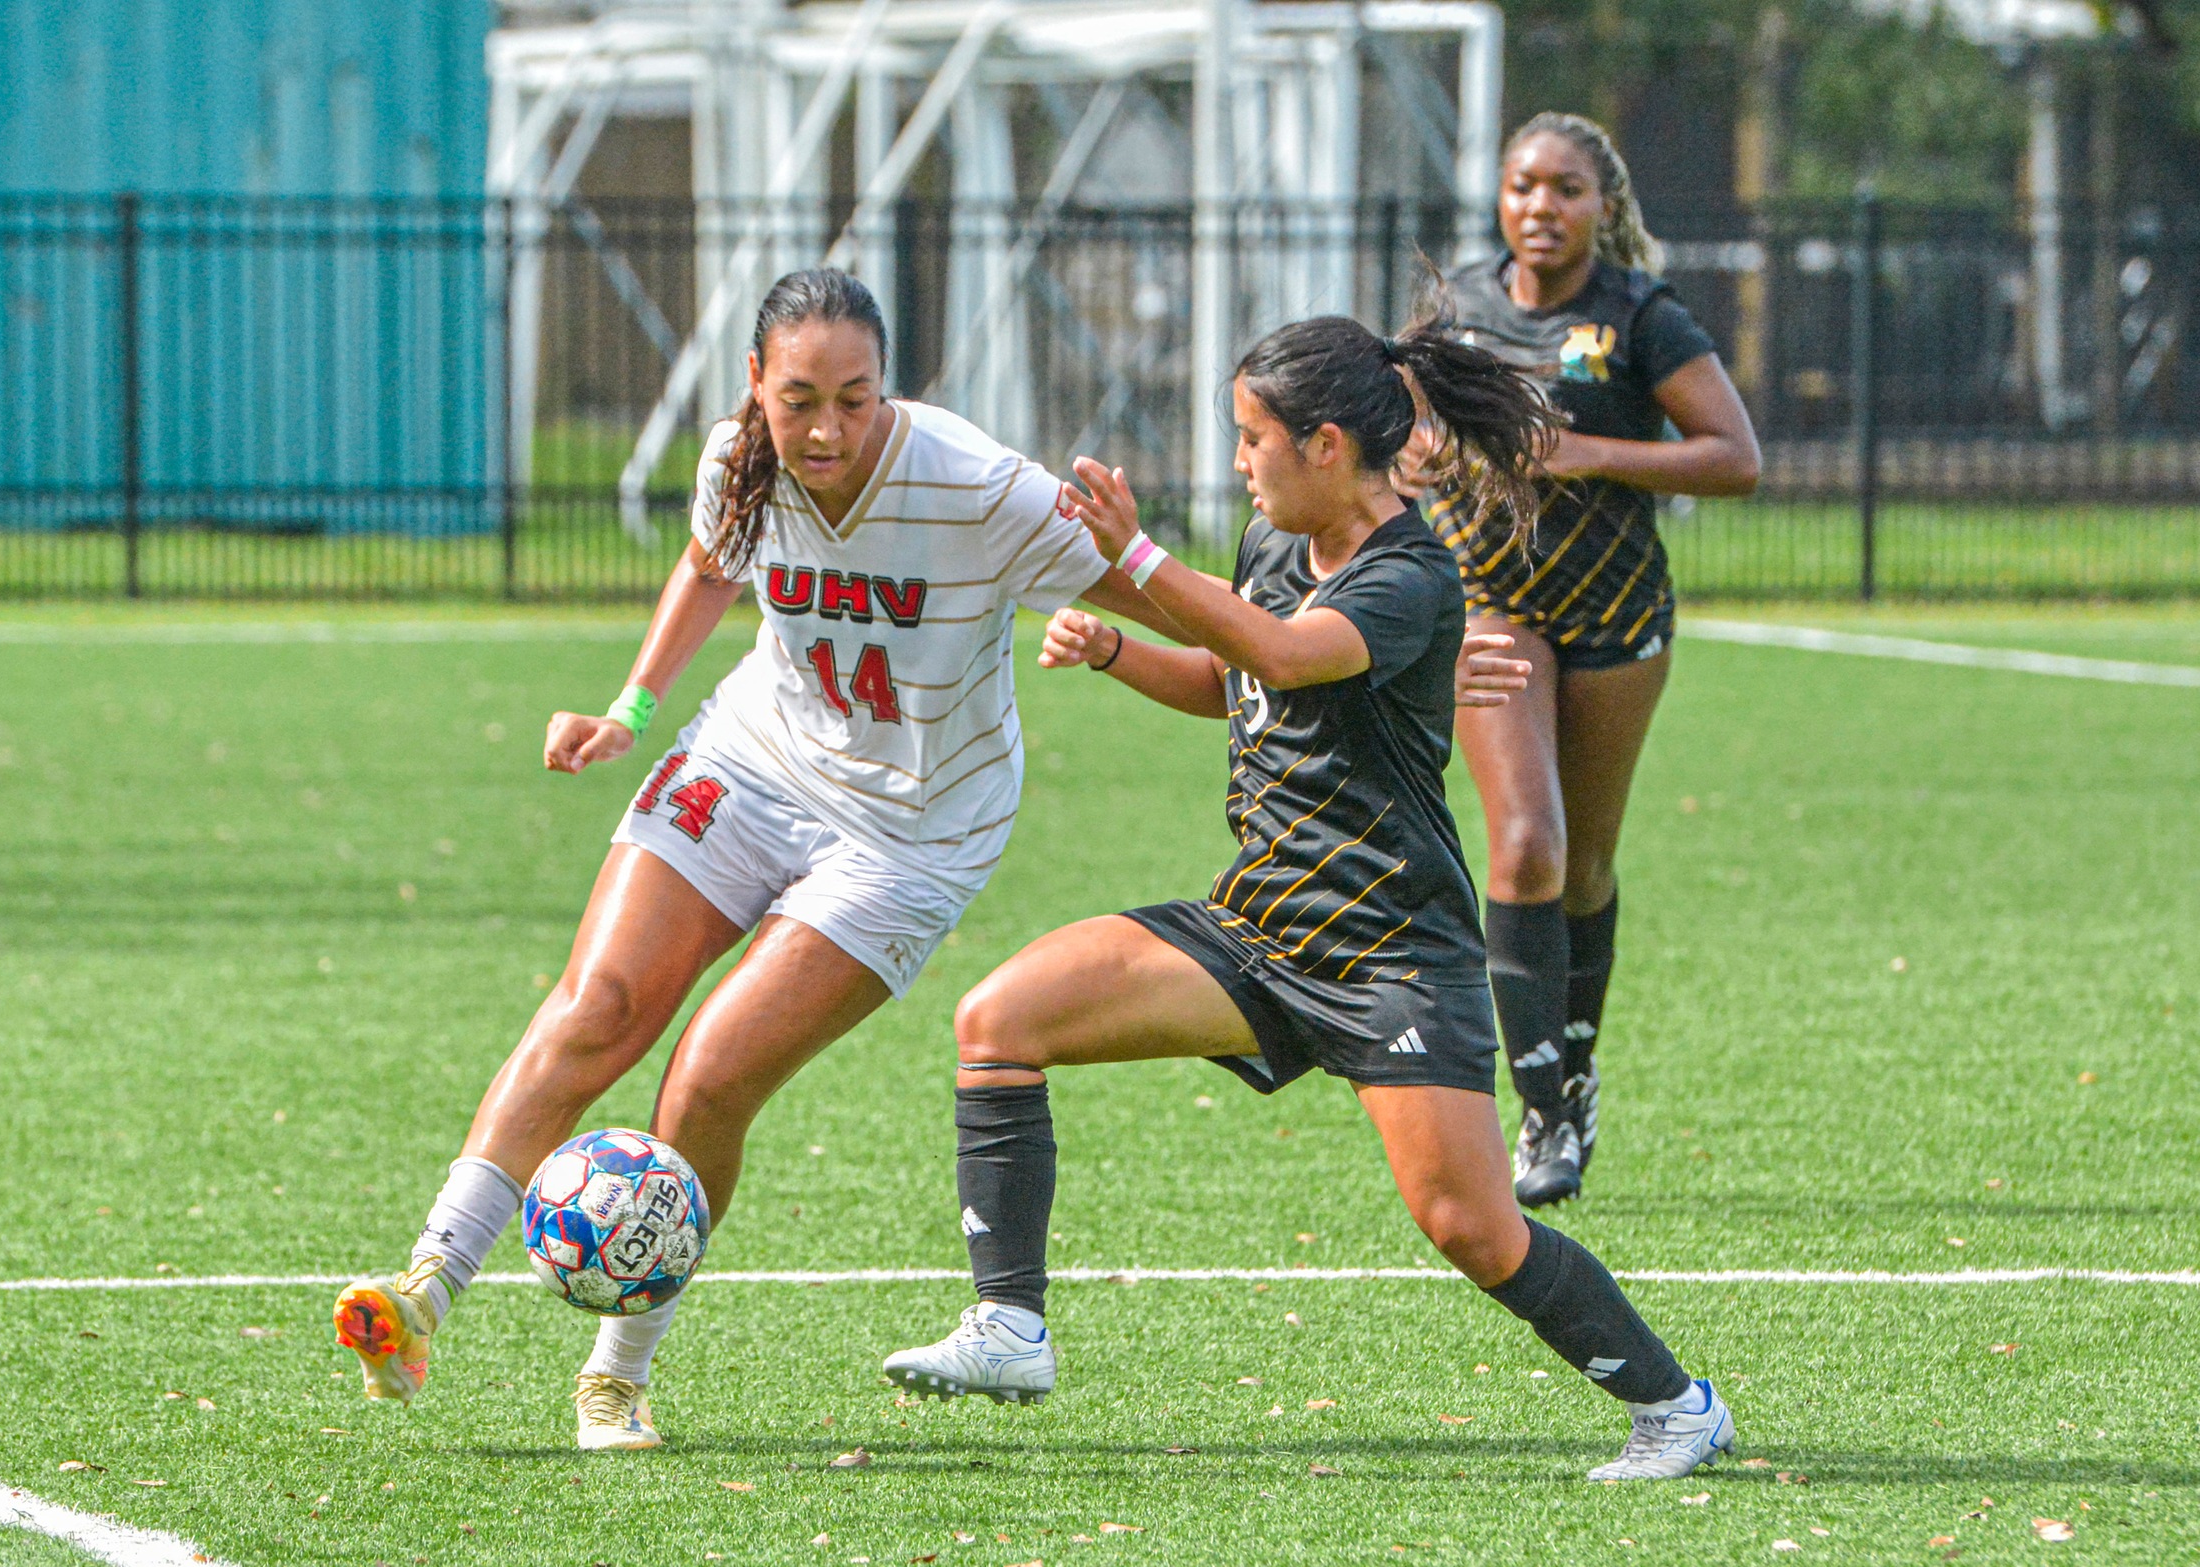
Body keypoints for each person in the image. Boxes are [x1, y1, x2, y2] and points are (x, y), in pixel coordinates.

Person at [330, 268, 1191, 1452]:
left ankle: (615, 1377)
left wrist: (1225, 604)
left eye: (853, 398)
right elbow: (708, 565)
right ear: (756, 384)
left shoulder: (978, 487)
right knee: (597, 1007)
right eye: (799, 400)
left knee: (710, 1075)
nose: (825, 429)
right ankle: (425, 1288)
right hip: (747, 762)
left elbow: (1176, 607)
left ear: (886, 388)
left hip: (912, 833)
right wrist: (627, 710)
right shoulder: (737, 456)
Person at [882, 311, 1737, 1482]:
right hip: (1254, 928)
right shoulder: (1275, 541)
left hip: (1390, 952)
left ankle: (1678, 1404)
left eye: (1252, 438)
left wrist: (1134, 561)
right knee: (999, 1019)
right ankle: (1010, 1327)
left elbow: (1288, 658)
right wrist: (1120, 652)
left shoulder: (1409, 573)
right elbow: (1237, 677)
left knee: (1471, 1228)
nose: (1239, 461)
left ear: (1326, 443)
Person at [1418, 113, 1761, 1207]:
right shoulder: (1456, 309)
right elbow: (1396, 432)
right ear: (1500, 198)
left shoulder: (1637, 316)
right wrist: (1422, 446)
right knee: (1523, 846)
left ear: (1600, 206)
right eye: (1522, 186)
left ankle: (1574, 1063)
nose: (1540, 207)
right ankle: (1542, 1110)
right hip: (1491, 600)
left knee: (1586, 865)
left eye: (1565, 189)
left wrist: (1583, 454)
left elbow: (1733, 457)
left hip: (1614, 612)